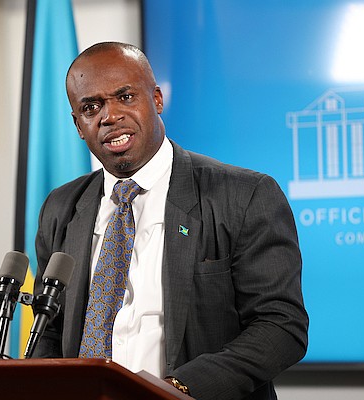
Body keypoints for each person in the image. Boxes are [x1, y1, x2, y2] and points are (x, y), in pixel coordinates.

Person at [32, 42, 308, 400]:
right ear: (79, 125)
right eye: (91, 107)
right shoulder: (61, 206)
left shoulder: (244, 195)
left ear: (157, 100)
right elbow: (47, 329)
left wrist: (174, 392)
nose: (110, 116)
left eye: (126, 97)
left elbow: (281, 327)